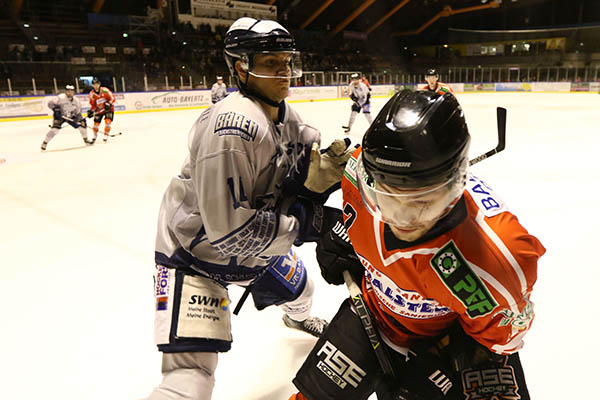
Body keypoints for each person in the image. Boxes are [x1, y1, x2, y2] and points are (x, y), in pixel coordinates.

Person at [146, 17, 353, 400]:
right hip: (192, 257)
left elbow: (283, 191)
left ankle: (297, 319)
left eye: (287, 61)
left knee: (302, 289)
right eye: (271, 62)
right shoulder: (232, 128)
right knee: (190, 375)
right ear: (241, 66)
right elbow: (227, 232)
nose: (284, 71)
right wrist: (310, 222)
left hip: (253, 251)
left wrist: (314, 188)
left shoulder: (294, 124)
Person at [290, 90, 546, 400]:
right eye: (388, 197)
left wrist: (446, 361)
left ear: (456, 183)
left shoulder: (496, 260)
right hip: (373, 313)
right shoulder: (356, 178)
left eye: (422, 201)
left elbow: (499, 340)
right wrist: (339, 232)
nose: (403, 219)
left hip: (446, 339)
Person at [41, 84, 90, 151]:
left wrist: (80, 120)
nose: (69, 93)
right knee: (55, 130)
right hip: (59, 116)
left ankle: (86, 139)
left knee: (82, 126)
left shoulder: (77, 101)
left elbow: (78, 113)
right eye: (68, 91)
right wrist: (55, 109)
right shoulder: (60, 98)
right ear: (66, 92)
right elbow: (50, 104)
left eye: (71, 91)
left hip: (70, 116)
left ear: (74, 92)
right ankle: (45, 142)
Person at [87, 77, 116, 143]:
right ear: (92, 85)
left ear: (99, 84)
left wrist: (109, 104)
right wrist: (91, 111)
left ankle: (106, 135)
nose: (96, 85)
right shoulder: (91, 94)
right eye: (94, 84)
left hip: (108, 110)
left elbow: (113, 98)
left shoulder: (105, 90)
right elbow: (93, 105)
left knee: (108, 123)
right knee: (95, 126)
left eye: (97, 84)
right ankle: (95, 136)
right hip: (99, 110)